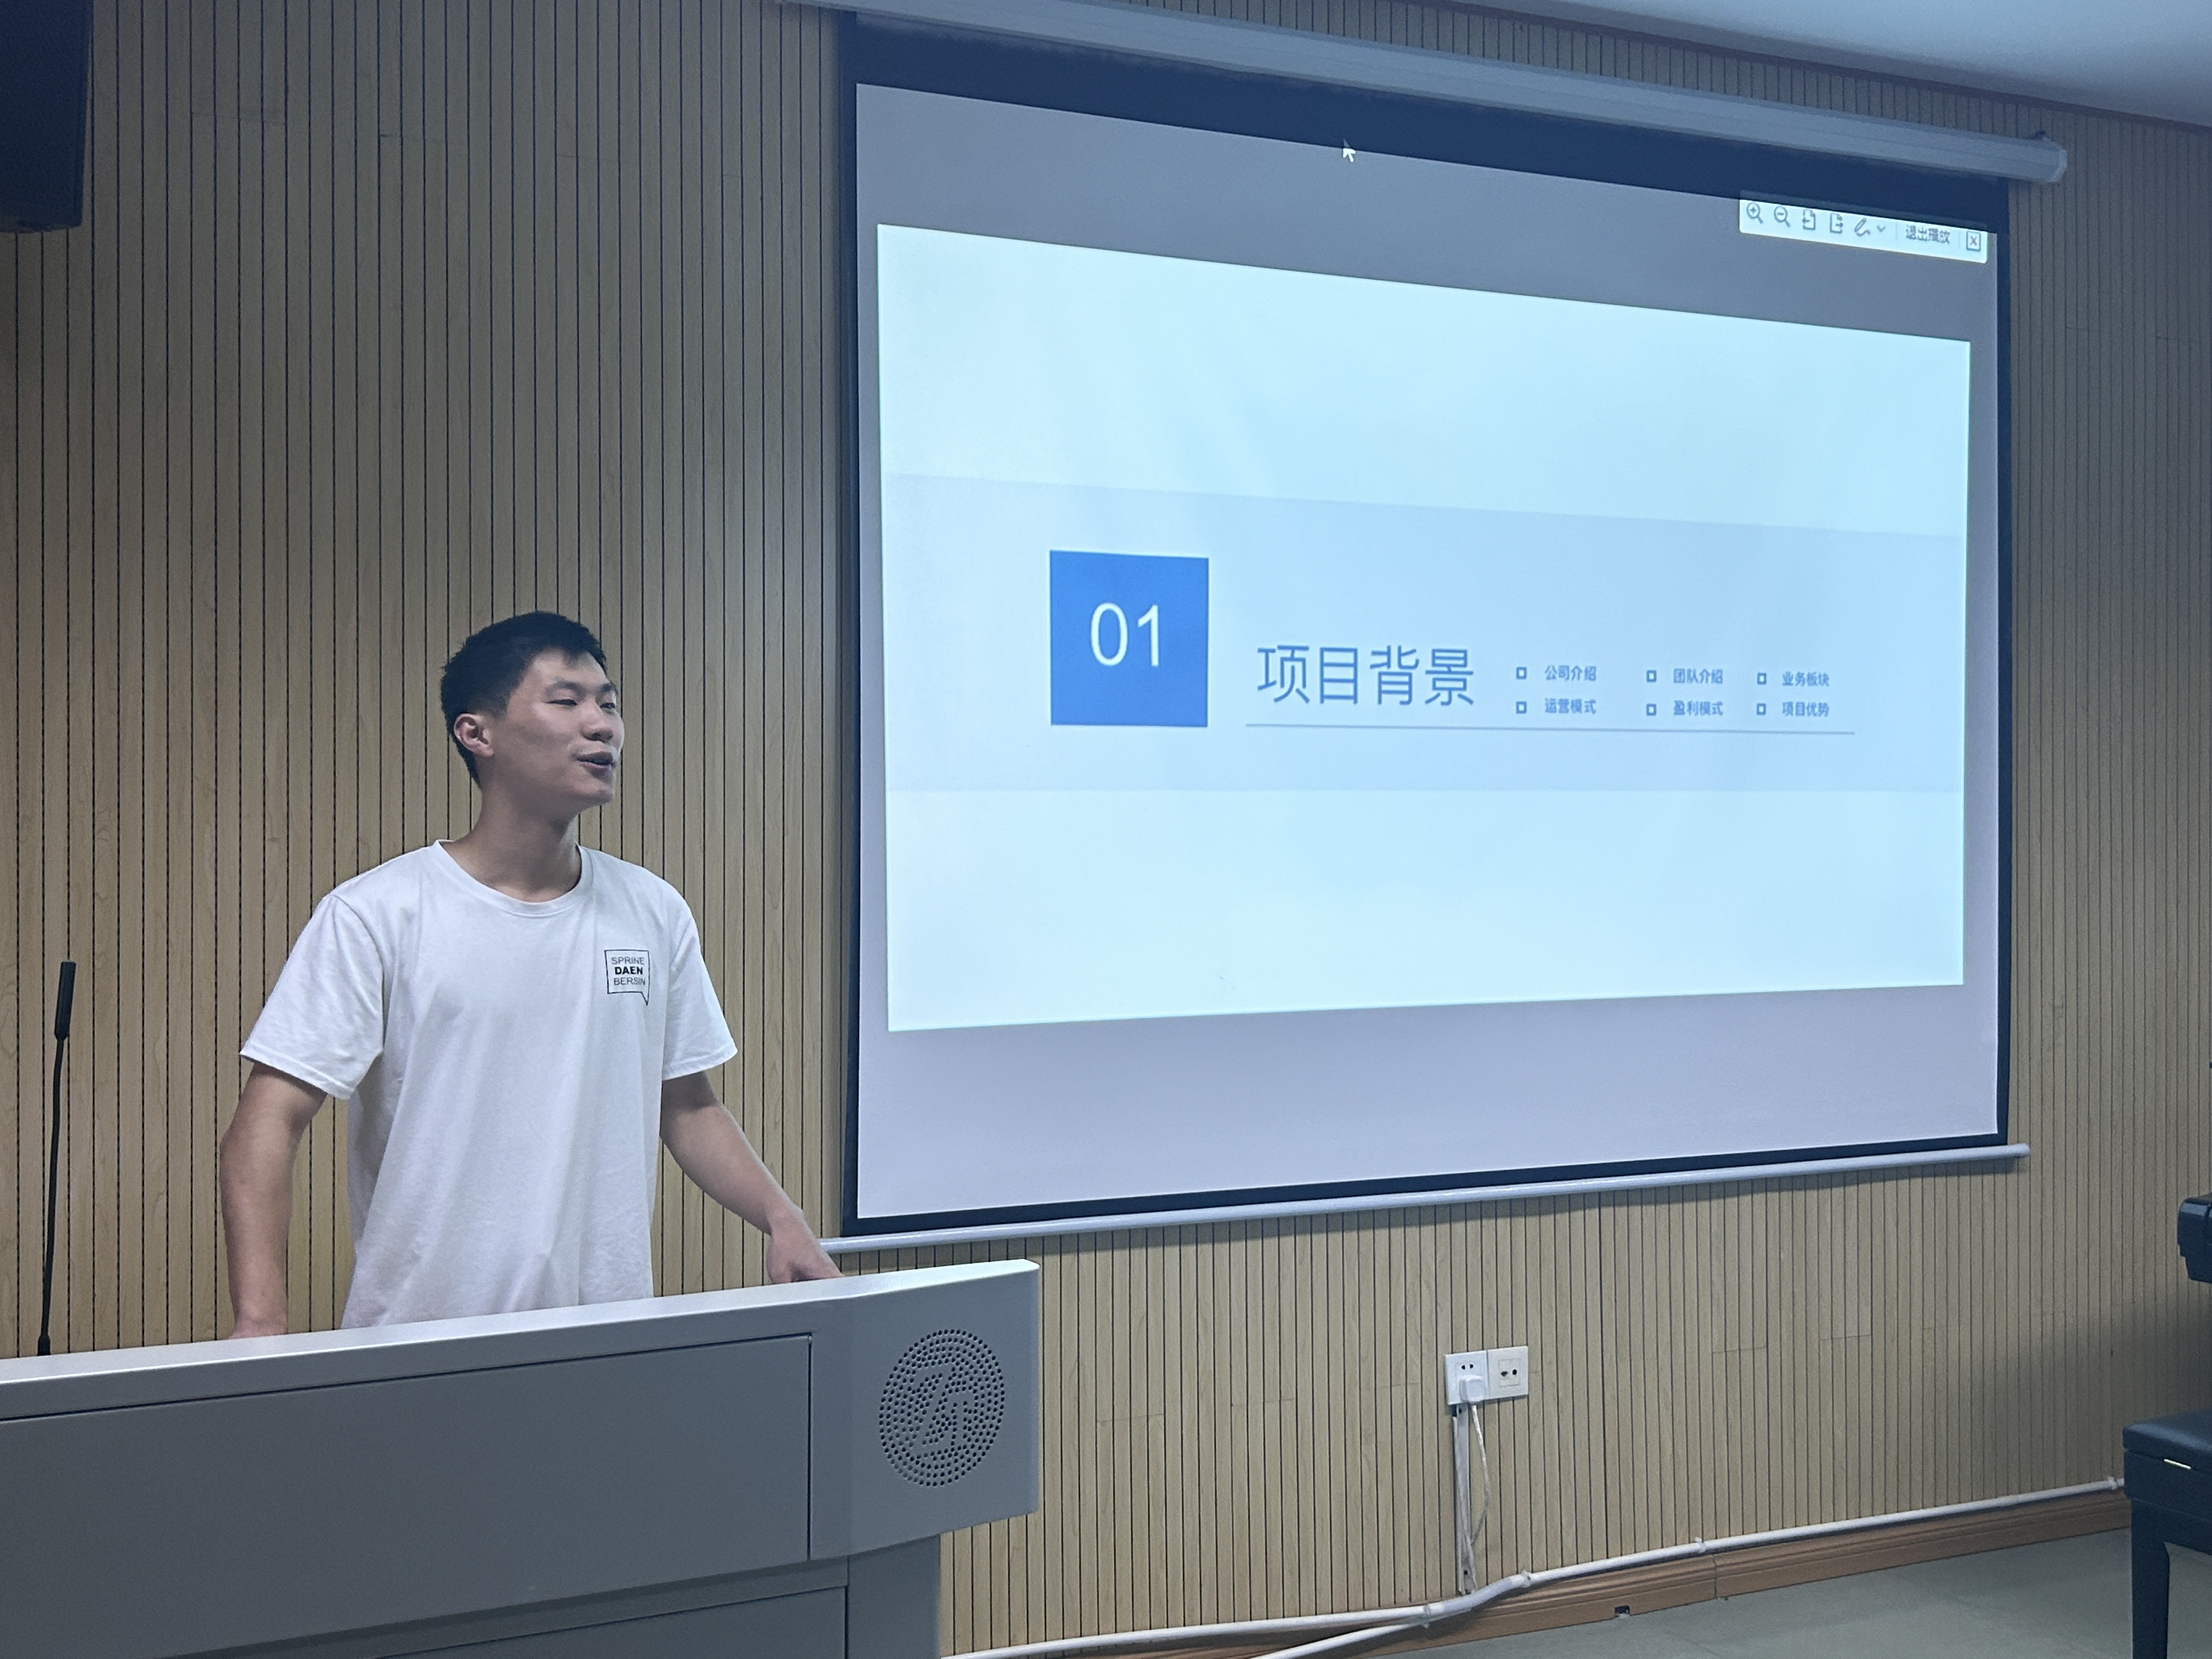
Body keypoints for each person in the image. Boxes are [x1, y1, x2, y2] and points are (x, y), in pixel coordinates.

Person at [220, 612, 836, 1335]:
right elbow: (269, 1119)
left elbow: (688, 1106)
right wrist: (260, 1320)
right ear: (476, 733)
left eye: (609, 704)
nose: (602, 725)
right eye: (566, 701)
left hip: (607, 1339)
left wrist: (783, 1219)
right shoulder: (377, 914)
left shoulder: (652, 910)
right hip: (420, 1341)